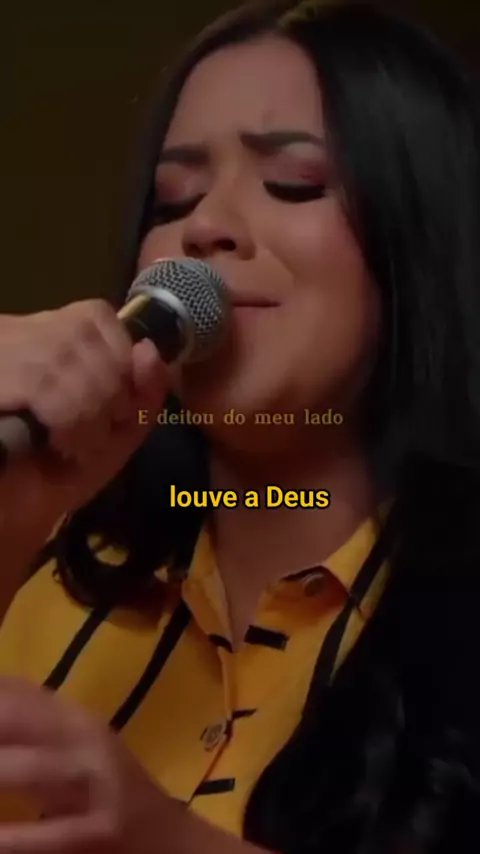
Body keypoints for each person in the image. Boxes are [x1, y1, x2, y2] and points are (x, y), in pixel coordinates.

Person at [0, 0, 479, 851]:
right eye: (172, 199)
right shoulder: (51, 568)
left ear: (420, 237)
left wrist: (169, 842)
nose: (205, 226)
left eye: (293, 183)